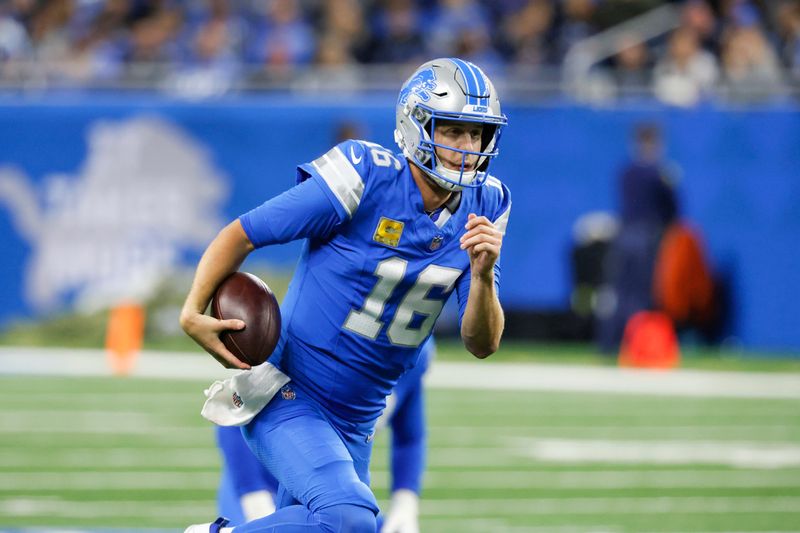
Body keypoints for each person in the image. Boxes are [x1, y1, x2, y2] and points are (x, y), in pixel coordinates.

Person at [180, 57, 510, 533]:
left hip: (358, 421)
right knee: (350, 521)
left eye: (476, 134)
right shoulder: (364, 176)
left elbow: (483, 343)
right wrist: (192, 309)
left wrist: (482, 275)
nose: (466, 147)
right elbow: (244, 233)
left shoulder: (489, 202)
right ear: (416, 124)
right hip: (290, 395)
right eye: (453, 130)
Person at [215, 339, 435, 532]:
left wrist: (405, 506)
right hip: (263, 482)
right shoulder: (326, 326)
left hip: (338, 497)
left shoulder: (415, 349)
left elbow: (409, 437)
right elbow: (237, 409)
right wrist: (255, 498)